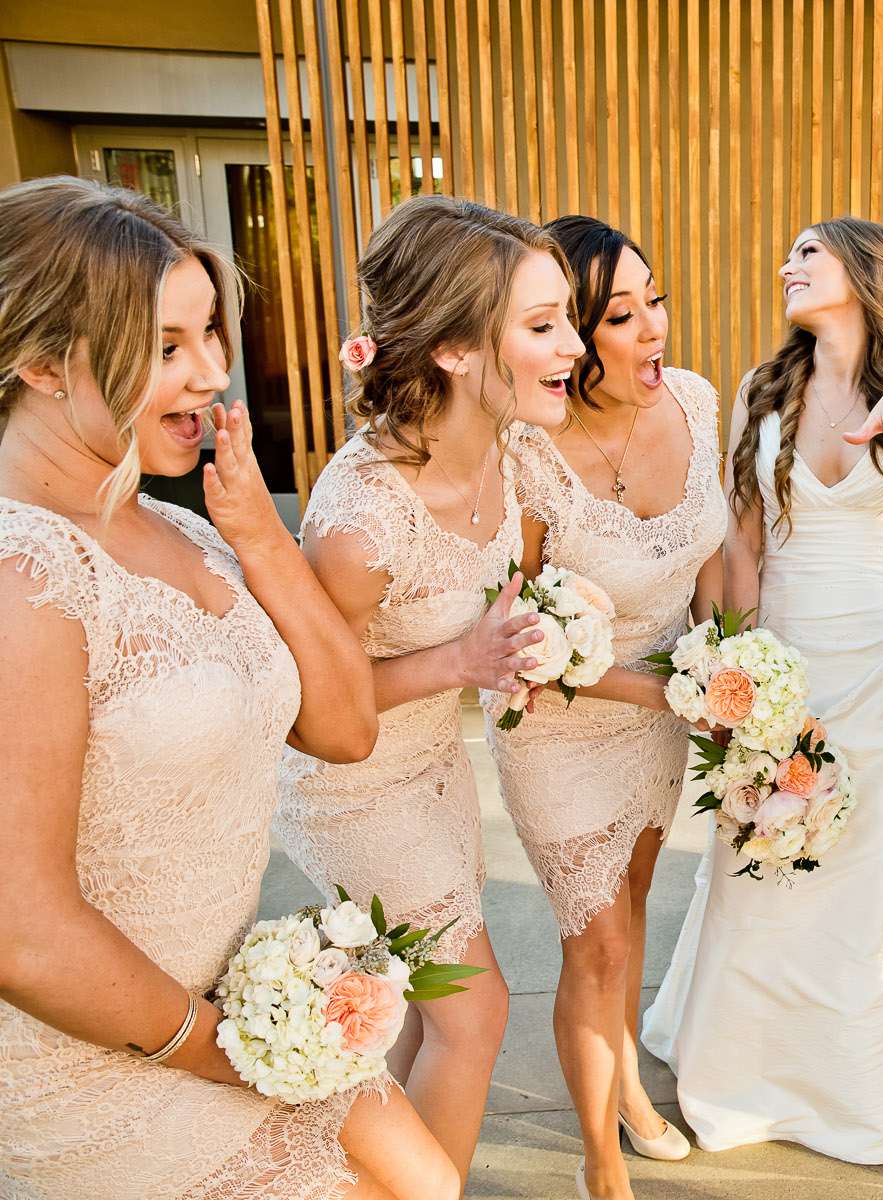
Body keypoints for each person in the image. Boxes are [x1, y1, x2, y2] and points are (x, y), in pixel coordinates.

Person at [0, 176, 457, 1199]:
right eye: (167, 348)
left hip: (228, 1008)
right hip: (104, 1060)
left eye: (211, 335)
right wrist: (223, 1044)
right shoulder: (21, 573)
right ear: (37, 361)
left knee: (430, 1181)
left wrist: (257, 532)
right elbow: (18, 930)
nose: (213, 373)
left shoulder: (188, 532)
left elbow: (341, 728)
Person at [642, 217, 883, 1163]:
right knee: (770, 857)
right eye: (785, 250)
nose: (786, 265)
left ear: (865, 275)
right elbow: (744, 542)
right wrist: (739, 668)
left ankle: (867, 1079)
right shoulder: (767, 389)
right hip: (789, 657)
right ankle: (754, 1069)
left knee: (874, 876)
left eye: (809, 253)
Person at [276, 194, 582, 1184]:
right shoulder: (364, 520)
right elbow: (302, 704)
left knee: (424, 1011)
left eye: (568, 317)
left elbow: (515, 585)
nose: (572, 345)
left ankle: (384, 1179)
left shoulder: (515, 447)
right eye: (542, 327)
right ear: (453, 349)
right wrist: (461, 664)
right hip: (350, 789)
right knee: (476, 1010)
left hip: (435, 769)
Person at [486, 215, 726, 1199]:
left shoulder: (699, 405)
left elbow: (707, 558)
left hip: (667, 721)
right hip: (563, 730)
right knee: (600, 940)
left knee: (632, 906)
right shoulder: (527, 454)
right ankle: (599, 1169)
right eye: (621, 316)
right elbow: (517, 641)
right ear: (573, 337)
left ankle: (627, 1085)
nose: (654, 330)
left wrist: (727, 658)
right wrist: (671, 684)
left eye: (654, 299)